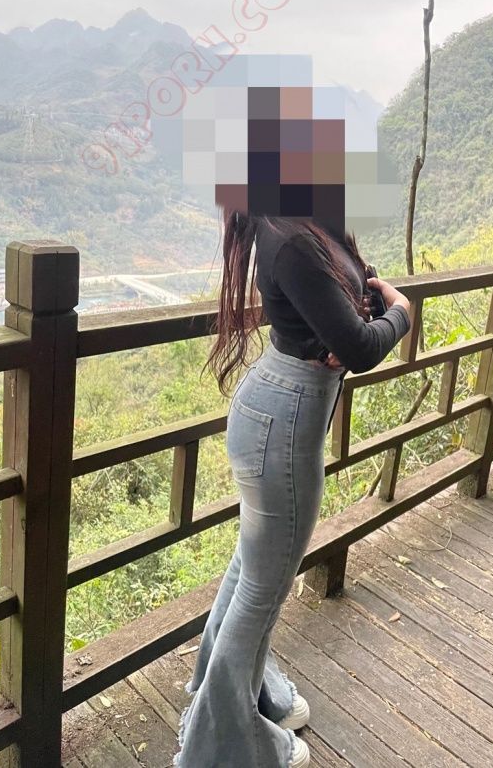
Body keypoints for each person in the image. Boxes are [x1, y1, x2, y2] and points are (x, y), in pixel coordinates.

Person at [173, 209, 411, 768]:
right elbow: (362, 347)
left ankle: (242, 701)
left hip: (283, 411)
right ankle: (220, 747)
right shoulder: (291, 237)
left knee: (252, 571)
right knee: (264, 586)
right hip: (284, 419)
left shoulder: (308, 222)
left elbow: (355, 300)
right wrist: (402, 312)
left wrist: (353, 321)